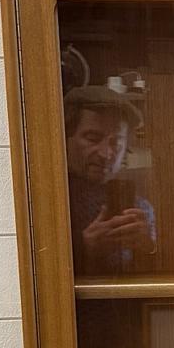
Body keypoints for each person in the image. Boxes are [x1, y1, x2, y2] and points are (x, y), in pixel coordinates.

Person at [64, 86, 156, 275]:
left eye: (117, 143)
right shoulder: (52, 205)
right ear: (64, 138)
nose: (107, 154)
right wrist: (85, 250)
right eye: (93, 138)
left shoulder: (141, 209)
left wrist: (147, 248)